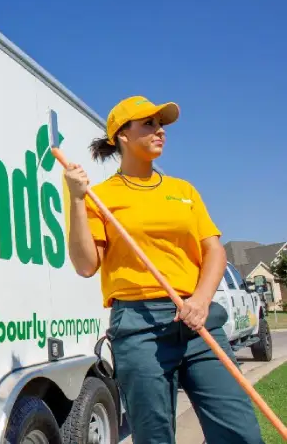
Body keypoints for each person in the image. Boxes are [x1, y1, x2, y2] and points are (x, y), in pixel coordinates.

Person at [64, 95, 264, 444]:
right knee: (155, 438)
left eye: (161, 124)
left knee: (241, 433)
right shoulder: (101, 196)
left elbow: (213, 250)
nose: (160, 131)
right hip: (139, 326)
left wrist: (202, 301)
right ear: (122, 135)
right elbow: (85, 265)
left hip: (197, 320)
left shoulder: (183, 191)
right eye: (149, 124)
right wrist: (78, 201)